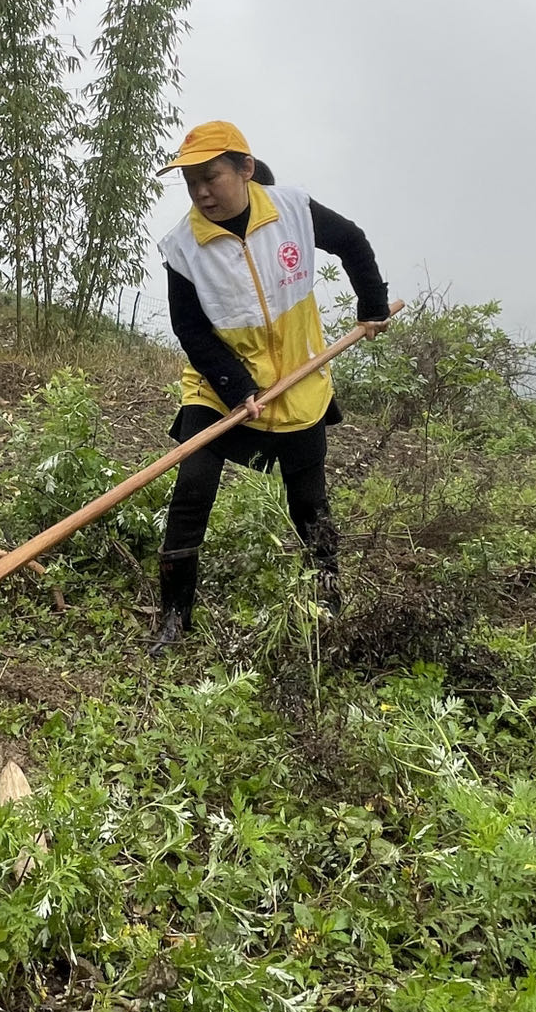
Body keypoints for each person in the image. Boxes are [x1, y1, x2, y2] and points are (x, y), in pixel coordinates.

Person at [151, 121, 390, 654]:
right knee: (192, 488)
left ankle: (327, 600)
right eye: (191, 183)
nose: (201, 192)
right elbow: (190, 329)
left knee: (309, 498)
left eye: (210, 177)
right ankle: (172, 617)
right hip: (218, 387)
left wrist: (372, 304)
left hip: (299, 380)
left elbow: (351, 241)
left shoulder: (294, 211)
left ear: (245, 169)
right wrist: (236, 385)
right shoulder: (183, 247)